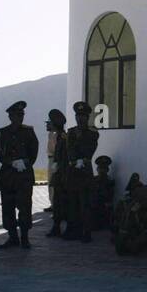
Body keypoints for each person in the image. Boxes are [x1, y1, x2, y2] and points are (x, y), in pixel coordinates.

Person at [0, 100, 40, 248]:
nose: (20, 118)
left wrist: (26, 162)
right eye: (16, 115)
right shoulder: (3, 132)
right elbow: (1, 154)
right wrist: (11, 162)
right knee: (8, 207)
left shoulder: (29, 131)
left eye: (21, 115)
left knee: (25, 206)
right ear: (10, 117)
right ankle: (12, 236)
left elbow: (34, 150)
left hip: (24, 175)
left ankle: (25, 237)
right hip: (8, 176)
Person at [63, 101, 100, 242]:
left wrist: (82, 159)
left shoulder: (92, 133)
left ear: (87, 117)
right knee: (72, 202)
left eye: (83, 116)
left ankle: (86, 232)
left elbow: (90, 148)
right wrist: (73, 160)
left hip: (85, 169)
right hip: (73, 170)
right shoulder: (71, 132)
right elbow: (69, 149)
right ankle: (73, 230)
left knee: (85, 202)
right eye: (78, 116)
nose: (80, 118)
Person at [45, 108, 68, 233]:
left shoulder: (62, 137)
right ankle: (56, 225)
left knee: (60, 198)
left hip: (61, 172)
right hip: (57, 170)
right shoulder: (58, 136)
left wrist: (57, 168)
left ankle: (57, 225)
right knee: (57, 197)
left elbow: (63, 156)